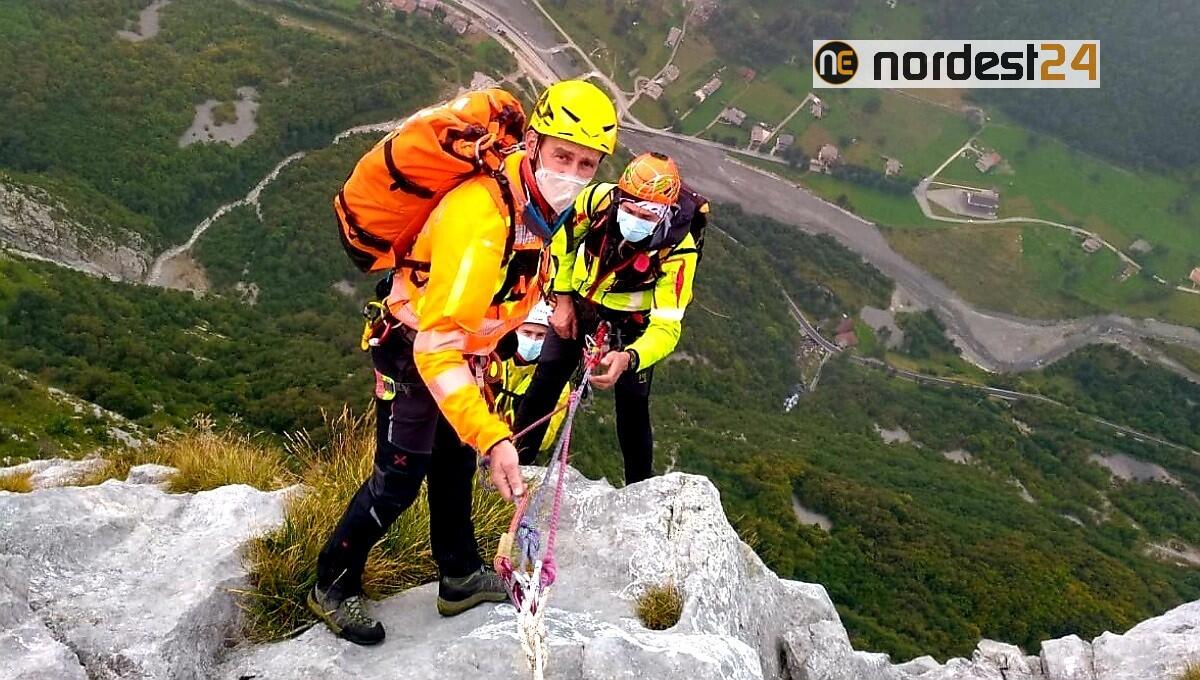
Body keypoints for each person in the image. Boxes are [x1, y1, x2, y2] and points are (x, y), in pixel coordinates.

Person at [309, 80, 618, 646]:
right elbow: (435, 347)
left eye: (586, 163)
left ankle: (457, 575)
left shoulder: (536, 207)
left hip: (459, 353)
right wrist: (494, 435)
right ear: (534, 143)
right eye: (562, 156)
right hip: (413, 349)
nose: (572, 173)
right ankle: (332, 582)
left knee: (452, 463)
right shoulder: (482, 216)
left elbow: (517, 290)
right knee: (399, 476)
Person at [513, 152, 704, 484]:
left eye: (647, 214)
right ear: (620, 196)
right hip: (579, 302)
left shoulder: (678, 251)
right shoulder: (599, 201)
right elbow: (564, 243)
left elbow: (667, 327)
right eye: (629, 209)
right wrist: (562, 299)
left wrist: (630, 358)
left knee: (632, 410)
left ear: (667, 213)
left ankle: (639, 489)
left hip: (632, 328)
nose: (634, 219)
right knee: (544, 385)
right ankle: (514, 471)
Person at [486, 301, 571, 453]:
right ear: (515, 331)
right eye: (527, 333)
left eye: (540, 336)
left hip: (515, 454)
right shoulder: (491, 361)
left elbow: (544, 440)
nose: (533, 340)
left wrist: (524, 421)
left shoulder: (557, 383)